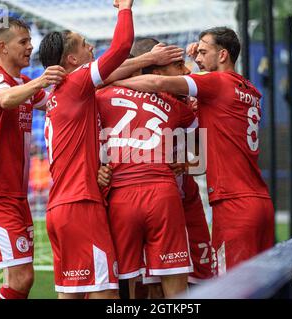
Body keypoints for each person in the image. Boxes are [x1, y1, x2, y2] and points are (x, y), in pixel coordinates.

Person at [113, 27, 275, 274]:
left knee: (230, 288)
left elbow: (158, 82)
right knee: (262, 285)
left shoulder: (216, 82)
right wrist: (201, 60)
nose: (196, 59)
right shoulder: (248, 89)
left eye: (202, 52)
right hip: (261, 201)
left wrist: (111, 81)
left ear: (222, 55)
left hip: (233, 205)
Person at [38, 0, 138, 299]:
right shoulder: (77, 82)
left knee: (71, 295)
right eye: (83, 44)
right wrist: (125, 8)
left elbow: (115, 69)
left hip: (60, 208)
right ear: (70, 59)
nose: (90, 47)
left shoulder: (59, 93)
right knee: (106, 295)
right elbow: (121, 48)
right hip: (81, 205)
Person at [0, 17, 66, 300]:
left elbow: (54, 102)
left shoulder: (22, 82)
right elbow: (5, 99)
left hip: (15, 194)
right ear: (2, 47)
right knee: (21, 277)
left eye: (30, 41)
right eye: (23, 42)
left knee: (22, 279)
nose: (30, 47)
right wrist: (41, 80)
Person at [96, 38, 199, 299]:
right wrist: (189, 159)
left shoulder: (99, 95)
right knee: (175, 290)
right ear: (157, 70)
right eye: (177, 65)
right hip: (164, 196)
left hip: (122, 197)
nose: (185, 71)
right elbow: (203, 152)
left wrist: (97, 168)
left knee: (125, 287)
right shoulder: (177, 106)